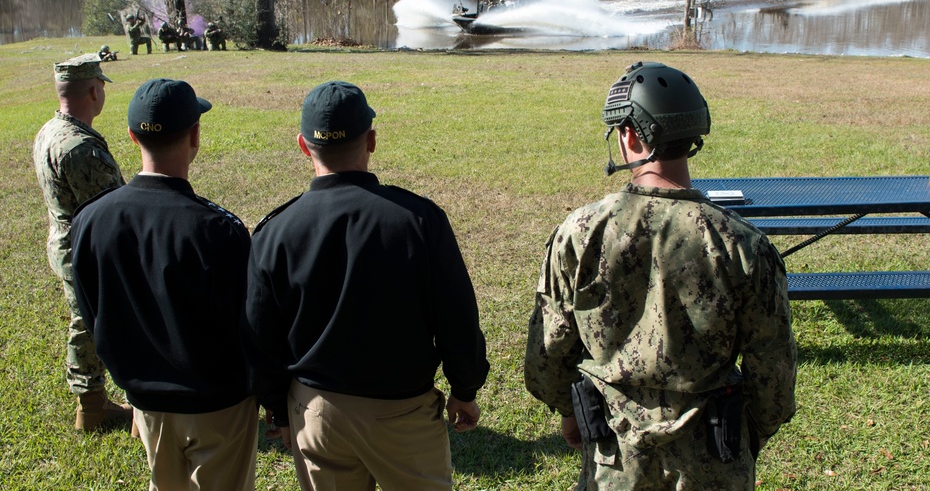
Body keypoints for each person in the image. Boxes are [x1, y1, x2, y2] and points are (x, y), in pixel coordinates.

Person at [524, 62, 797, 490]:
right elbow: (774, 374)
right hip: (714, 459)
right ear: (690, 138)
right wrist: (748, 436)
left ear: (630, 135)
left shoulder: (579, 234)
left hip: (613, 458)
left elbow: (547, 355)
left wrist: (567, 410)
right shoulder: (743, 245)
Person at [244, 80, 490, 491]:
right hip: (402, 412)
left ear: (304, 146)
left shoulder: (275, 231)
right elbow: (457, 317)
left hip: (315, 411)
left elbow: (258, 335)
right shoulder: (418, 219)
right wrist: (464, 387)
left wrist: (279, 409)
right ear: (371, 140)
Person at [71, 78, 257, 489]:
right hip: (218, 403)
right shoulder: (217, 229)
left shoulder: (89, 221)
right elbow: (244, 326)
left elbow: (90, 310)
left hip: (146, 401)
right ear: (195, 135)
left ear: (132, 136)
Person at [32, 54, 131, 432]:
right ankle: (92, 407)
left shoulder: (49, 131)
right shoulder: (78, 148)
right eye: (102, 86)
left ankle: (92, 403)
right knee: (93, 324)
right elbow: (111, 209)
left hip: (65, 243)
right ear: (94, 89)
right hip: (86, 250)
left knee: (85, 320)